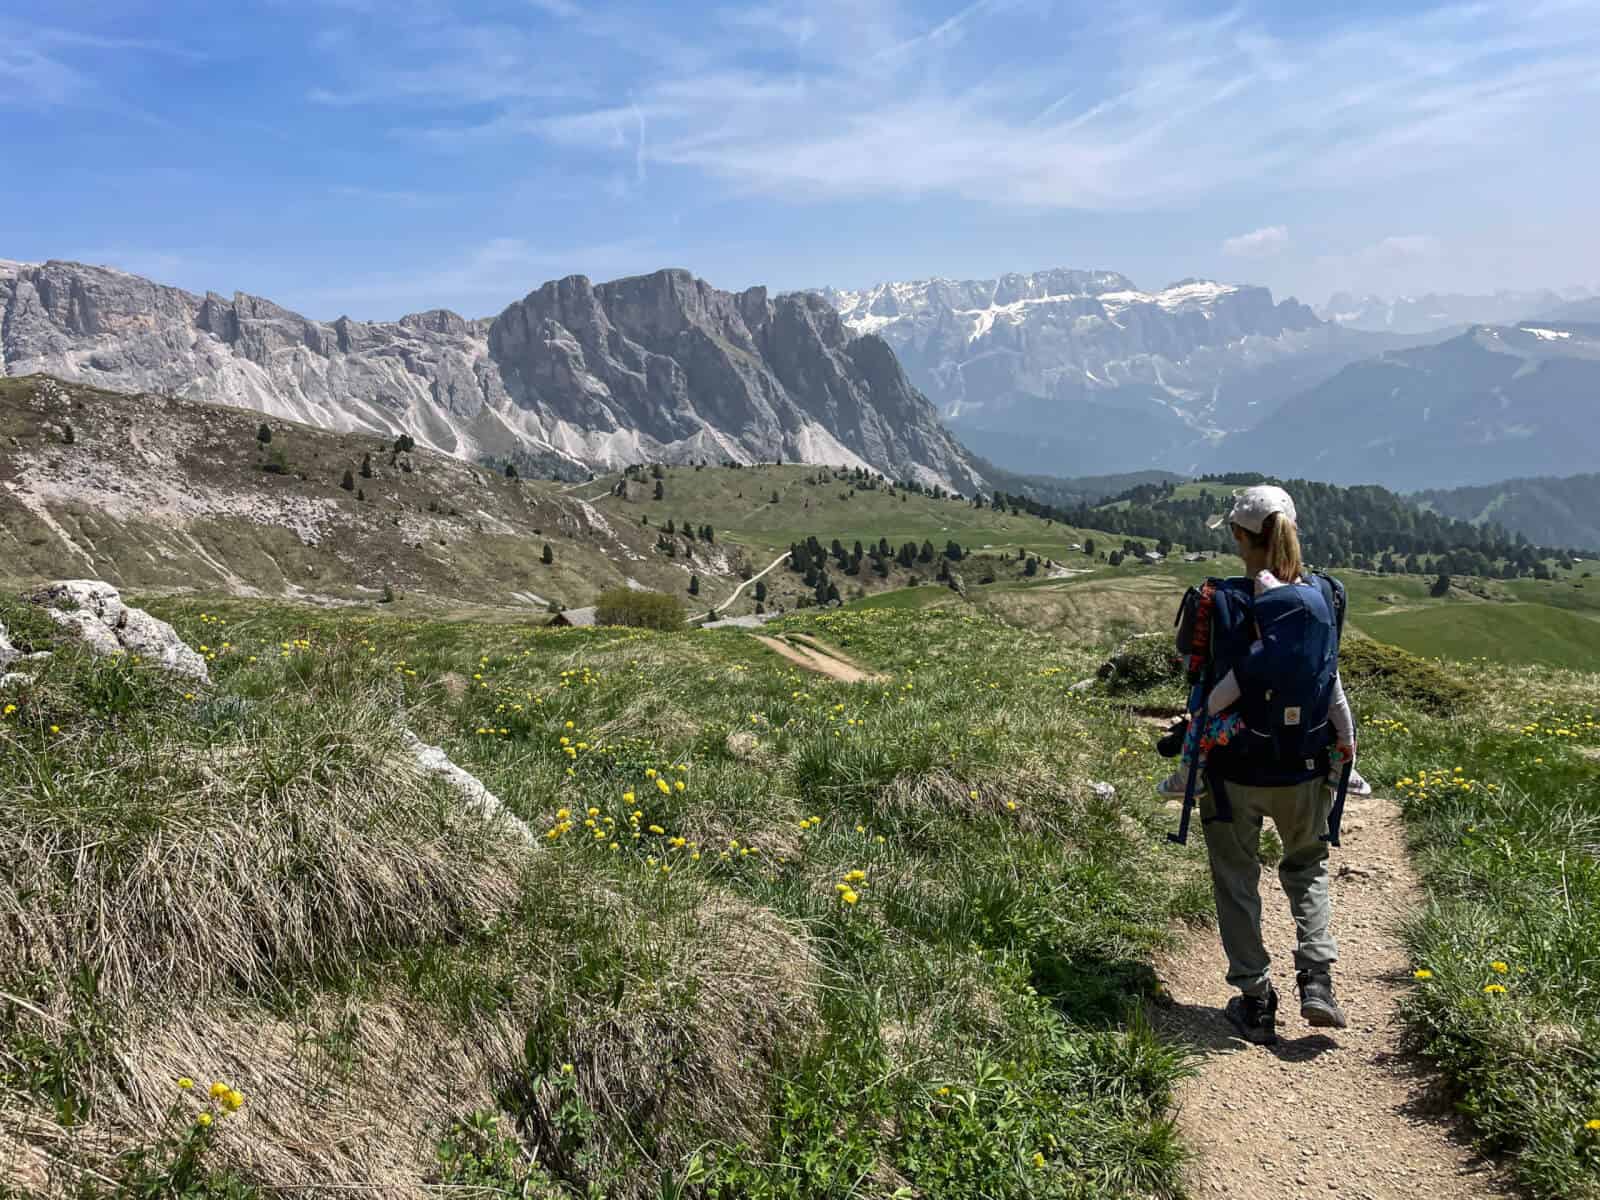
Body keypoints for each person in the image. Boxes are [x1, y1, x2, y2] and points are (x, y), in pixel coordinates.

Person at [1196, 485, 1353, 1046]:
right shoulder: (1324, 596)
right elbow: (1328, 677)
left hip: (1234, 769)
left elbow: (1200, 677)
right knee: (1306, 866)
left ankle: (1256, 999)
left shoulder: (1223, 599)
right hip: (1305, 766)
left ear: (1240, 537)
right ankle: (1317, 978)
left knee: (1236, 877)